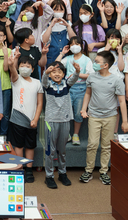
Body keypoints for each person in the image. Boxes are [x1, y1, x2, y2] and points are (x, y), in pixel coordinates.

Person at [79, 51, 128, 185]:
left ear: (105, 65)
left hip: (110, 117)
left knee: (107, 146)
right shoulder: (91, 78)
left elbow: (122, 101)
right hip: (94, 116)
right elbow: (87, 94)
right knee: (92, 144)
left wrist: (124, 121)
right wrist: (84, 109)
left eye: (96, 62)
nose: (94, 64)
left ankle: (103, 171)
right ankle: (88, 170)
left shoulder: (117, 80)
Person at [42, 60, 80, 189]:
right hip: (51, 121)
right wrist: (46, 73)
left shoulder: (66, 84)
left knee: (62, 150)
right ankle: (49, 176)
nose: (57, 74)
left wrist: (77, 71)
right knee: (50, 151)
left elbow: (74, 78)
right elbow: (44, 80)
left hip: (65, 120)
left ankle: (62, 173)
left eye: (59, 72)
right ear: (50, 74)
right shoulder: (47, 85)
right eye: (54, 72)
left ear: (63, 74)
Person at [8, 48, 44, 183]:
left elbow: (40, 104)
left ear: (32, 69)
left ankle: (29, 170)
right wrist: (12, 64)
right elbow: (12, 71)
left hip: (32, 120)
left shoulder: (37, 83)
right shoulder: (16, 80)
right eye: (22, 66)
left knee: (30, 146)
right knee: (18, 146)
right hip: (17, 119)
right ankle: (20, 168)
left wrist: (35, 119)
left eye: (27, 66)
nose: (24, 68)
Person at [57, 37, 93, 145]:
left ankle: (76, 134)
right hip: (68, 88)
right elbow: (56, 65)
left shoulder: (87, 59)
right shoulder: (68, 58)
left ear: (81, 46)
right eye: (72, 44)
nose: (74, 46)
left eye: (77, 44)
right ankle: (66, 134)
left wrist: (77, 75)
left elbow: (90, 75)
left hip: (81, 89)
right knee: (66, 112)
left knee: (78, 112)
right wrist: (62, 53)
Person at [41, 0, 75, 67]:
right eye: (56, 10)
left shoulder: (68, 23)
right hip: (51, 58)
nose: (58, 12)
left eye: (61, 10)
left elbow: (73, 39)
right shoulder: (47, 24)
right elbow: (44, 40)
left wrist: (68, 26)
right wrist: (51, 26)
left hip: (66, 57)